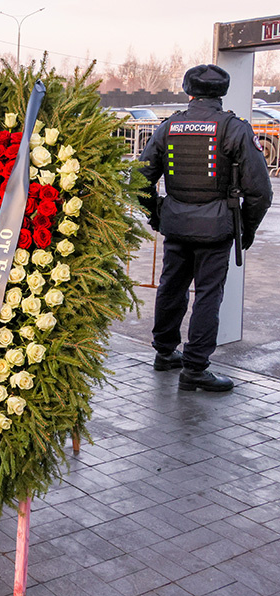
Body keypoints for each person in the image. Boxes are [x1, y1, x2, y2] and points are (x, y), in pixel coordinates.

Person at [138, 64, 272, 392]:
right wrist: (247, 229)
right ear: (221, 93)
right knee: (208, 295)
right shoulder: (234, 128)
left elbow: (139, 179)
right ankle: (196, 368)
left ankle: (165, 352)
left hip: (176, 224)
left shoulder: (168, 127)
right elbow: (261, 192)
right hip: (216, 229)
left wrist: (158, 215)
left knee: (171, 286)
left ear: (188, 91)